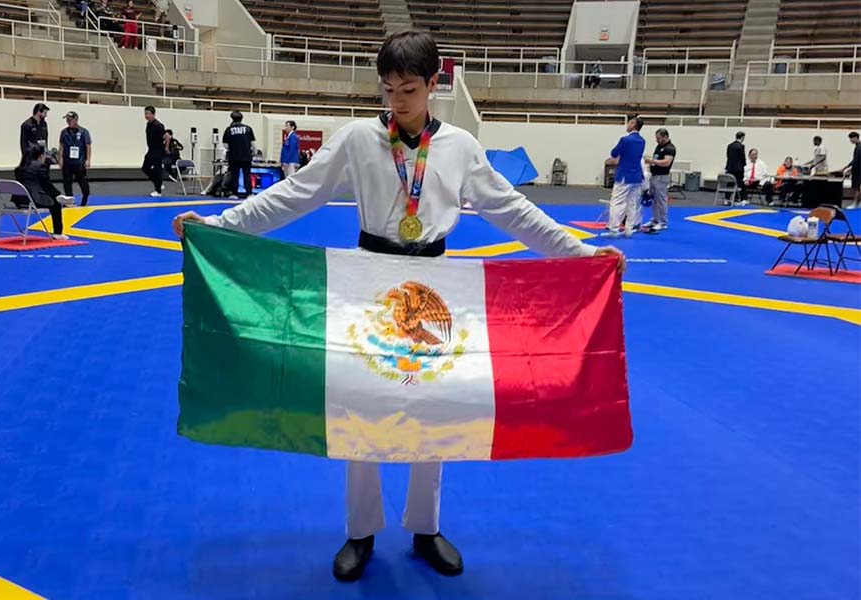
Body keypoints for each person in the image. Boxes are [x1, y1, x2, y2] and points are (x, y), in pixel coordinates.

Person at [173, 30, 625, 584]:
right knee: (357, 402)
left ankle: (425, 526)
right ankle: (360, 531)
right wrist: (219, 225)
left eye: (409, 88)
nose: (397, 100)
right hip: (367, 281)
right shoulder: (359, 138)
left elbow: (511, 210)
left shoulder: (459, 146)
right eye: (388, 89)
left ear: (436, 83)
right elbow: (297, 192)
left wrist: (581, 253)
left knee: (435, 406)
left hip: (436, 282)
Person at [16, 145, 75, 239]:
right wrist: (57, 194)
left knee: (49, 195)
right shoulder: (40, 166)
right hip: (33, 200)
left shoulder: (19, 168)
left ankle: (58, 197)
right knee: (56, 204)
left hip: (20, 200)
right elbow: (46, 184)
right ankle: (58, 233)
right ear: (40, 156)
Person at [605, 115, 646, 237]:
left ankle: (614, 228)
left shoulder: (625, 140)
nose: (627, 125)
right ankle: (629, 229)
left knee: (617, 202)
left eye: (629, 123)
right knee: (632, 203)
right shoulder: (642, 141)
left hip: (624, 175)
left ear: (633, 124)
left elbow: (614, 153)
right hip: (637, 175)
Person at [644, 127, 676, 232]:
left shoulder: (670, 148)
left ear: (665, 137)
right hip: (654, 175)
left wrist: (652, 161)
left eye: (658, 138)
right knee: (654, 200)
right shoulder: (659, 146)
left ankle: (663, 222)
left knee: (661, 200)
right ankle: (655, 220)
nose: (656, 140)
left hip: (662, 177)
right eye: (656, 138)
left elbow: (666, 162)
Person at [58, 111, 92, 207]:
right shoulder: (64, 132)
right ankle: (69, 200)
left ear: (75, 120)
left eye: (70, 120)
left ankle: (85, 197)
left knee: (82, 182)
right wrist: (60, 158)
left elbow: (88, 146)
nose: (68, 122)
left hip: (79, 162)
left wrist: (88, 160)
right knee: (67, 182)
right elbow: (61, 146)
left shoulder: (84, 132)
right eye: (67, 120)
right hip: (68, 162)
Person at [223, 111, 256, 199]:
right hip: (246, 156)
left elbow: (225, 144)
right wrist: (254, 152)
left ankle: (234, 193)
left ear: (232, 119)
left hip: (234, 156)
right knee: (247, 175)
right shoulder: (248, 128)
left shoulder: (229, 129)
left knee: (235, 175)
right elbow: (253, 143)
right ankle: (249, 193)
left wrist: (231, 149)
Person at [142, 106, 166, 198]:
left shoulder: (158, 125)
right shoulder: (149, 124)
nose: (146, 115)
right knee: (145, 168)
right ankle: (158, 183)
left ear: (153, 114)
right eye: (145, 113)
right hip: (151, 150)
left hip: (158, 150)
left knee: (157, 169)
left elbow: (167, 136)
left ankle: (158, 191)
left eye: (148, 113)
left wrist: (166, 148)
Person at [725, 131, 746, 203]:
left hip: (730, 168)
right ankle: (737, 199)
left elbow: (727, 156)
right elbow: (742, 158)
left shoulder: (730, 145)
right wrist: (743, 165)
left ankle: (727, 199)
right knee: (738, 184)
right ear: (742, 137)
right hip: (738, 169)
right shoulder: (741, 146)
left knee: (730, 183)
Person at [844, 131, 860, 209]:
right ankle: (857, 203)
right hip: (857, 169)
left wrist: (847, 167)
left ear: (856, 138)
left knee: (856, 188)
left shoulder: (859, 147)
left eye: (851, 139)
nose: (851, 140)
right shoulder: (857, 146)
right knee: (857, 187)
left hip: (858, 170)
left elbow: (856, 160)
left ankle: (855, 203)